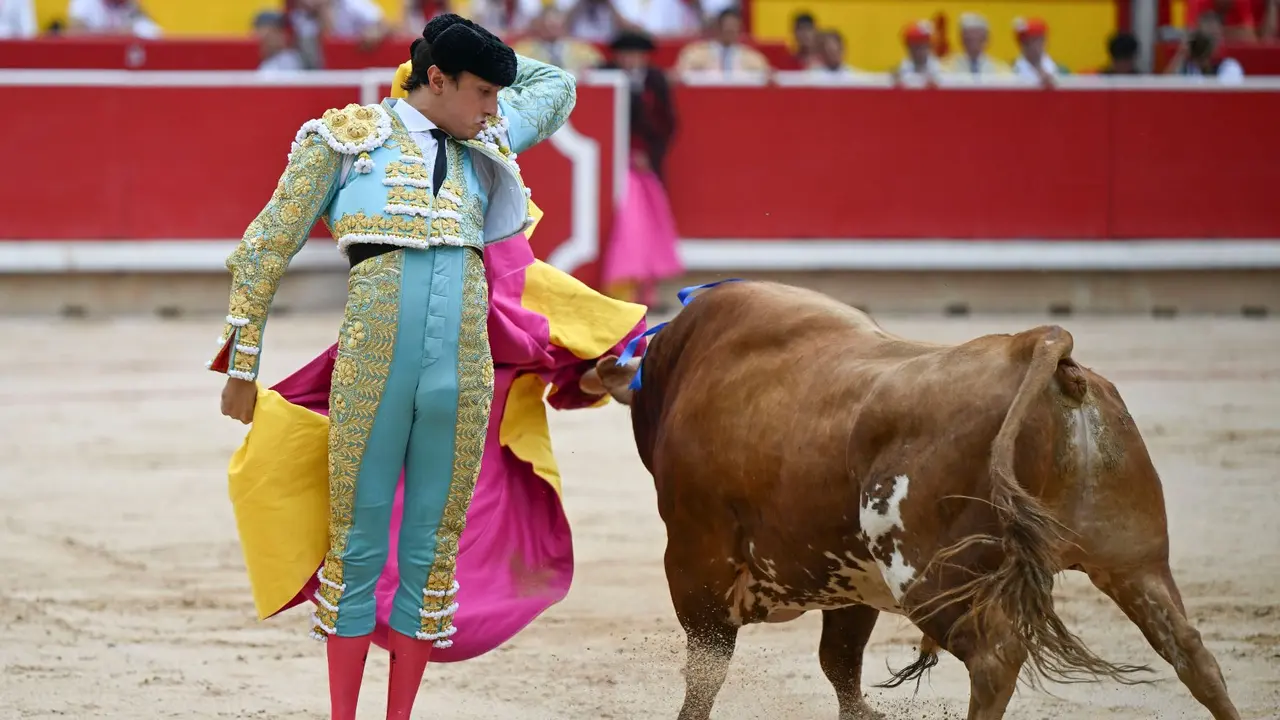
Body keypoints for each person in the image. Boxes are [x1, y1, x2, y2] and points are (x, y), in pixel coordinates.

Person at [209, 13, 586, 719]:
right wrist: (242, 363)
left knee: (430, 554)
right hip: (373, 376)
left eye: (497, 95)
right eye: (482, 92)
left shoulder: (487, 134)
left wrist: (467, 44)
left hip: (461, 380)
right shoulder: (345, 140)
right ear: (435, 80)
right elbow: (264, 248)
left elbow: (557, 85)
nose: (494, 107)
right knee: (356, 548)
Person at [599, 30, 683, 310]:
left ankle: (646, 290)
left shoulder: (655, 80)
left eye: (636, 54)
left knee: (644, 224)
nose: (631, 59)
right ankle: (625, 291)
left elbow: (668, 124)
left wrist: (648, 154)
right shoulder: (604, 74)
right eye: (626, 54)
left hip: (644, 165)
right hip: (613, 163)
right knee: (632, 223)